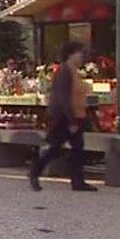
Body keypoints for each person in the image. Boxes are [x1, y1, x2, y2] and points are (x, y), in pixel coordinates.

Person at [29, 42, 97, 192]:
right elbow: (63, 97)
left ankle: (77, 181)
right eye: (79, 53)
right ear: (70, 54)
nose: (82, 57)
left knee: (77, 148)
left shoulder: (74, 71)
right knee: (56, 148)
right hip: (65, 117)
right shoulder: (64, 72)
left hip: (76, 114)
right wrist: (71, 120)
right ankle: (35, 172)